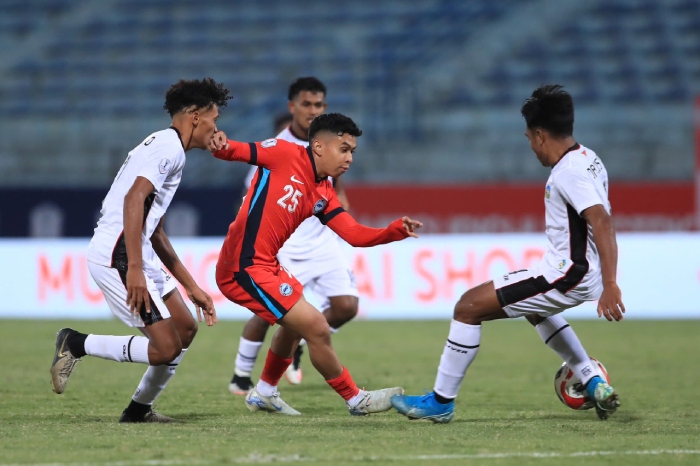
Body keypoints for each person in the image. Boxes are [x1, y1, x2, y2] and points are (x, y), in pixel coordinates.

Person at [391, 84, 625, 423]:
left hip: (568, 274)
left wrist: (611, 282)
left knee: (467, 307)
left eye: (529, 137)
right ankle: (591, 379)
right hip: (570, 269)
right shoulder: (588, 158)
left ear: (541, 135)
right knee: (536, 310)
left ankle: (441, 402)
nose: (530, 146)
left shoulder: (569, 172)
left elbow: (601, 220)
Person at [210, 113, 422, 415]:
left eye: (352, 152)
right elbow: (238, 150)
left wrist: (393, 231)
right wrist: (221, 144)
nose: (349, 158)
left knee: (295, 325)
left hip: (266, 264)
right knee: (316, 326)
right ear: (319, 146)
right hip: (241, 266)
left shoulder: (323, 192)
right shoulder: (284, 152)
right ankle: (355, 399)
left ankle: (265, 392)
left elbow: (353, 234)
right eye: (344, 149)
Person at [49, 78, 226, 423]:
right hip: (118, 255)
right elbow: (134, 199)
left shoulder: (167, 146)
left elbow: (154, 228)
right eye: (213, 120)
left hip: (136, 251)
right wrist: (133, 268)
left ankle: (138, 411)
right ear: (194, 116)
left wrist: (192, 287)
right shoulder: (168, 149)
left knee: (185, 329)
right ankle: (75, 343)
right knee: (165, 348)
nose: (215, 128)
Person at [229, 77, 359, 395]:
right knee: (268, 314)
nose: (313, 110)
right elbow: (251, 192)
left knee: (346, 306)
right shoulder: (279, 146)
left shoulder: (328, 139)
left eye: (318, 105)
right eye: (306, 104)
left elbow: (335, 188)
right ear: (292, 107)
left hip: (322, 240)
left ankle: (300, 340)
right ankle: (241, 376)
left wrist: (343, 217)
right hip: (285, 241)